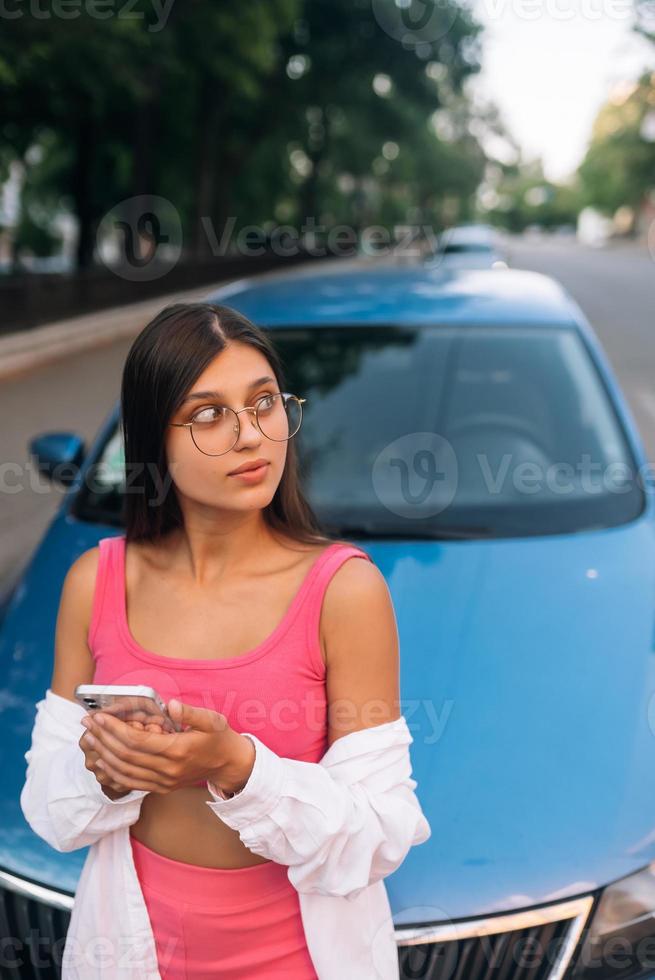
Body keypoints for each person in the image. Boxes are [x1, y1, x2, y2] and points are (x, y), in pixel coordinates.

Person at [20, 301, 431, 979]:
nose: (250, 435)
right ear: (153, 438)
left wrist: (237, 766)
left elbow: (379, 836)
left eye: (265, 402)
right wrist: (107, 769)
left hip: (299, 961)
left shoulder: (343, 591)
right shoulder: (95, 582)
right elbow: (50, 813)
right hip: (128, 955)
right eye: (209, 413)